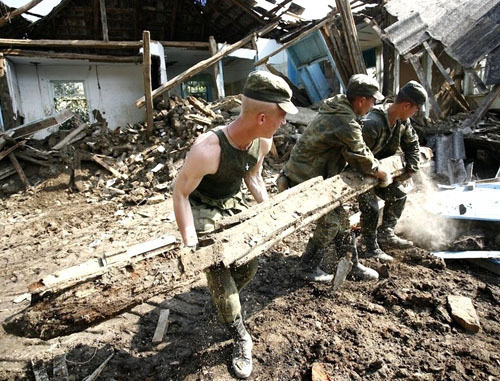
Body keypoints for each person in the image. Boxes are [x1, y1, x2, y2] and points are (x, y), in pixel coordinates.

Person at [173, 70, 297, 379]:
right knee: (220, 270)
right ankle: (240, 335)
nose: (284, 122)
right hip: (202, 208)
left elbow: (252, 178)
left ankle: (220, 301)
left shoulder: (262, 143)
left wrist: (270, 214)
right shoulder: (207, 150)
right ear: (260, 118)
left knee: (249, 266)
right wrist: (189, 240)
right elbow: (180, 193)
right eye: (281, 115)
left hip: (233, 204)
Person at [277, 74, 392, 284]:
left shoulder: (342, 110)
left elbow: (355, 151)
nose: (373, 105)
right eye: (373, 100)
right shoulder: (344, 120)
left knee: (343, 221)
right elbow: (359, 155)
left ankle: (351, 264)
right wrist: (382, 172)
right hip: (304, 178)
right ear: (361, 100)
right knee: (331, 223)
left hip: (315, 175)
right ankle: (306, 267)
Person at [358, 81, 427, 259]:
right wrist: (375, 174)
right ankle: (370, 246)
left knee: (399, 195)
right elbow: (357, 156)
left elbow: (412, 144)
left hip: (381, 172)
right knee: (371, 208)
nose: (416, 113)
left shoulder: (402, 122)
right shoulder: (373, 123)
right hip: (359, 171)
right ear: (406, 105)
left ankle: (386, 233)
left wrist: (411, 168)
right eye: (416, 109)